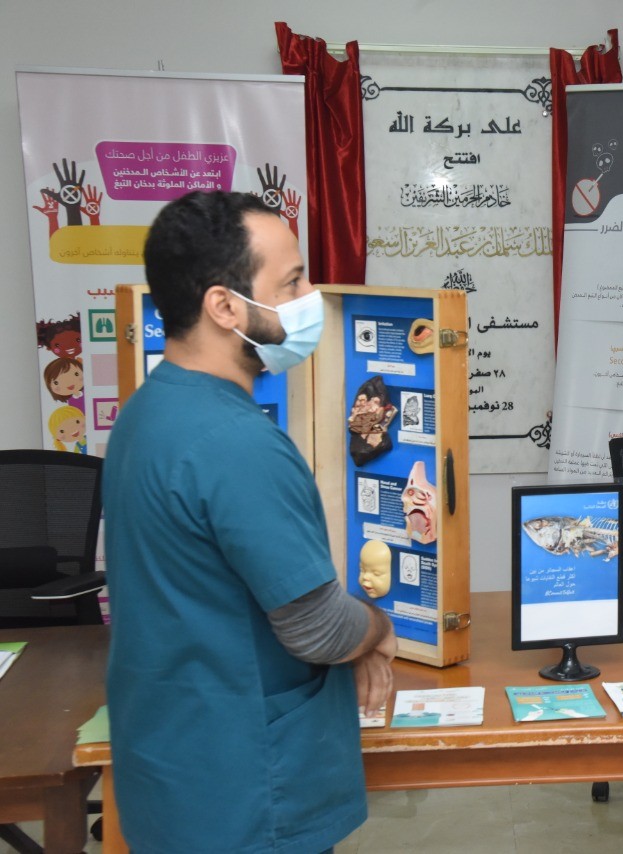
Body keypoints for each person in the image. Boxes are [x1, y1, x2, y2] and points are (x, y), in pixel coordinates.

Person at [104, 191, 398, 853]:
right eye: (291, 282)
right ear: (225, 306)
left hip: (171, 771)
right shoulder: (235, 443)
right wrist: (378, 631)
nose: (311, 296)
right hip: (243, 791)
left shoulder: (146, 414)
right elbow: (319, 628)